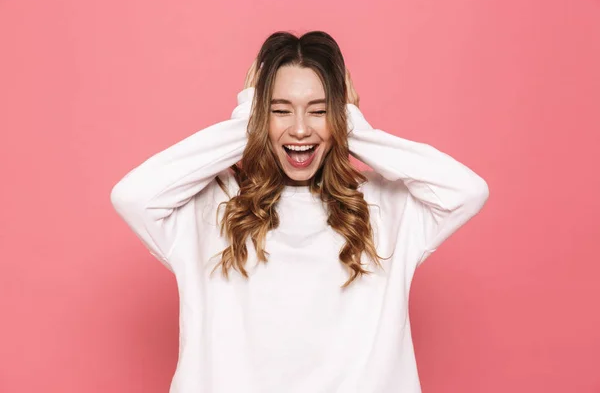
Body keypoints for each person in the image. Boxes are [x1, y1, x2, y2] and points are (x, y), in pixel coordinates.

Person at [110, 30, 489, 393]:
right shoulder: (214, 206)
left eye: (319, 111)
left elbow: (467, 191)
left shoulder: (385, 207)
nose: (301, 129)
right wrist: (246, 123)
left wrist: (353, 129)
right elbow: (133, 196)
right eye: (280, 110)